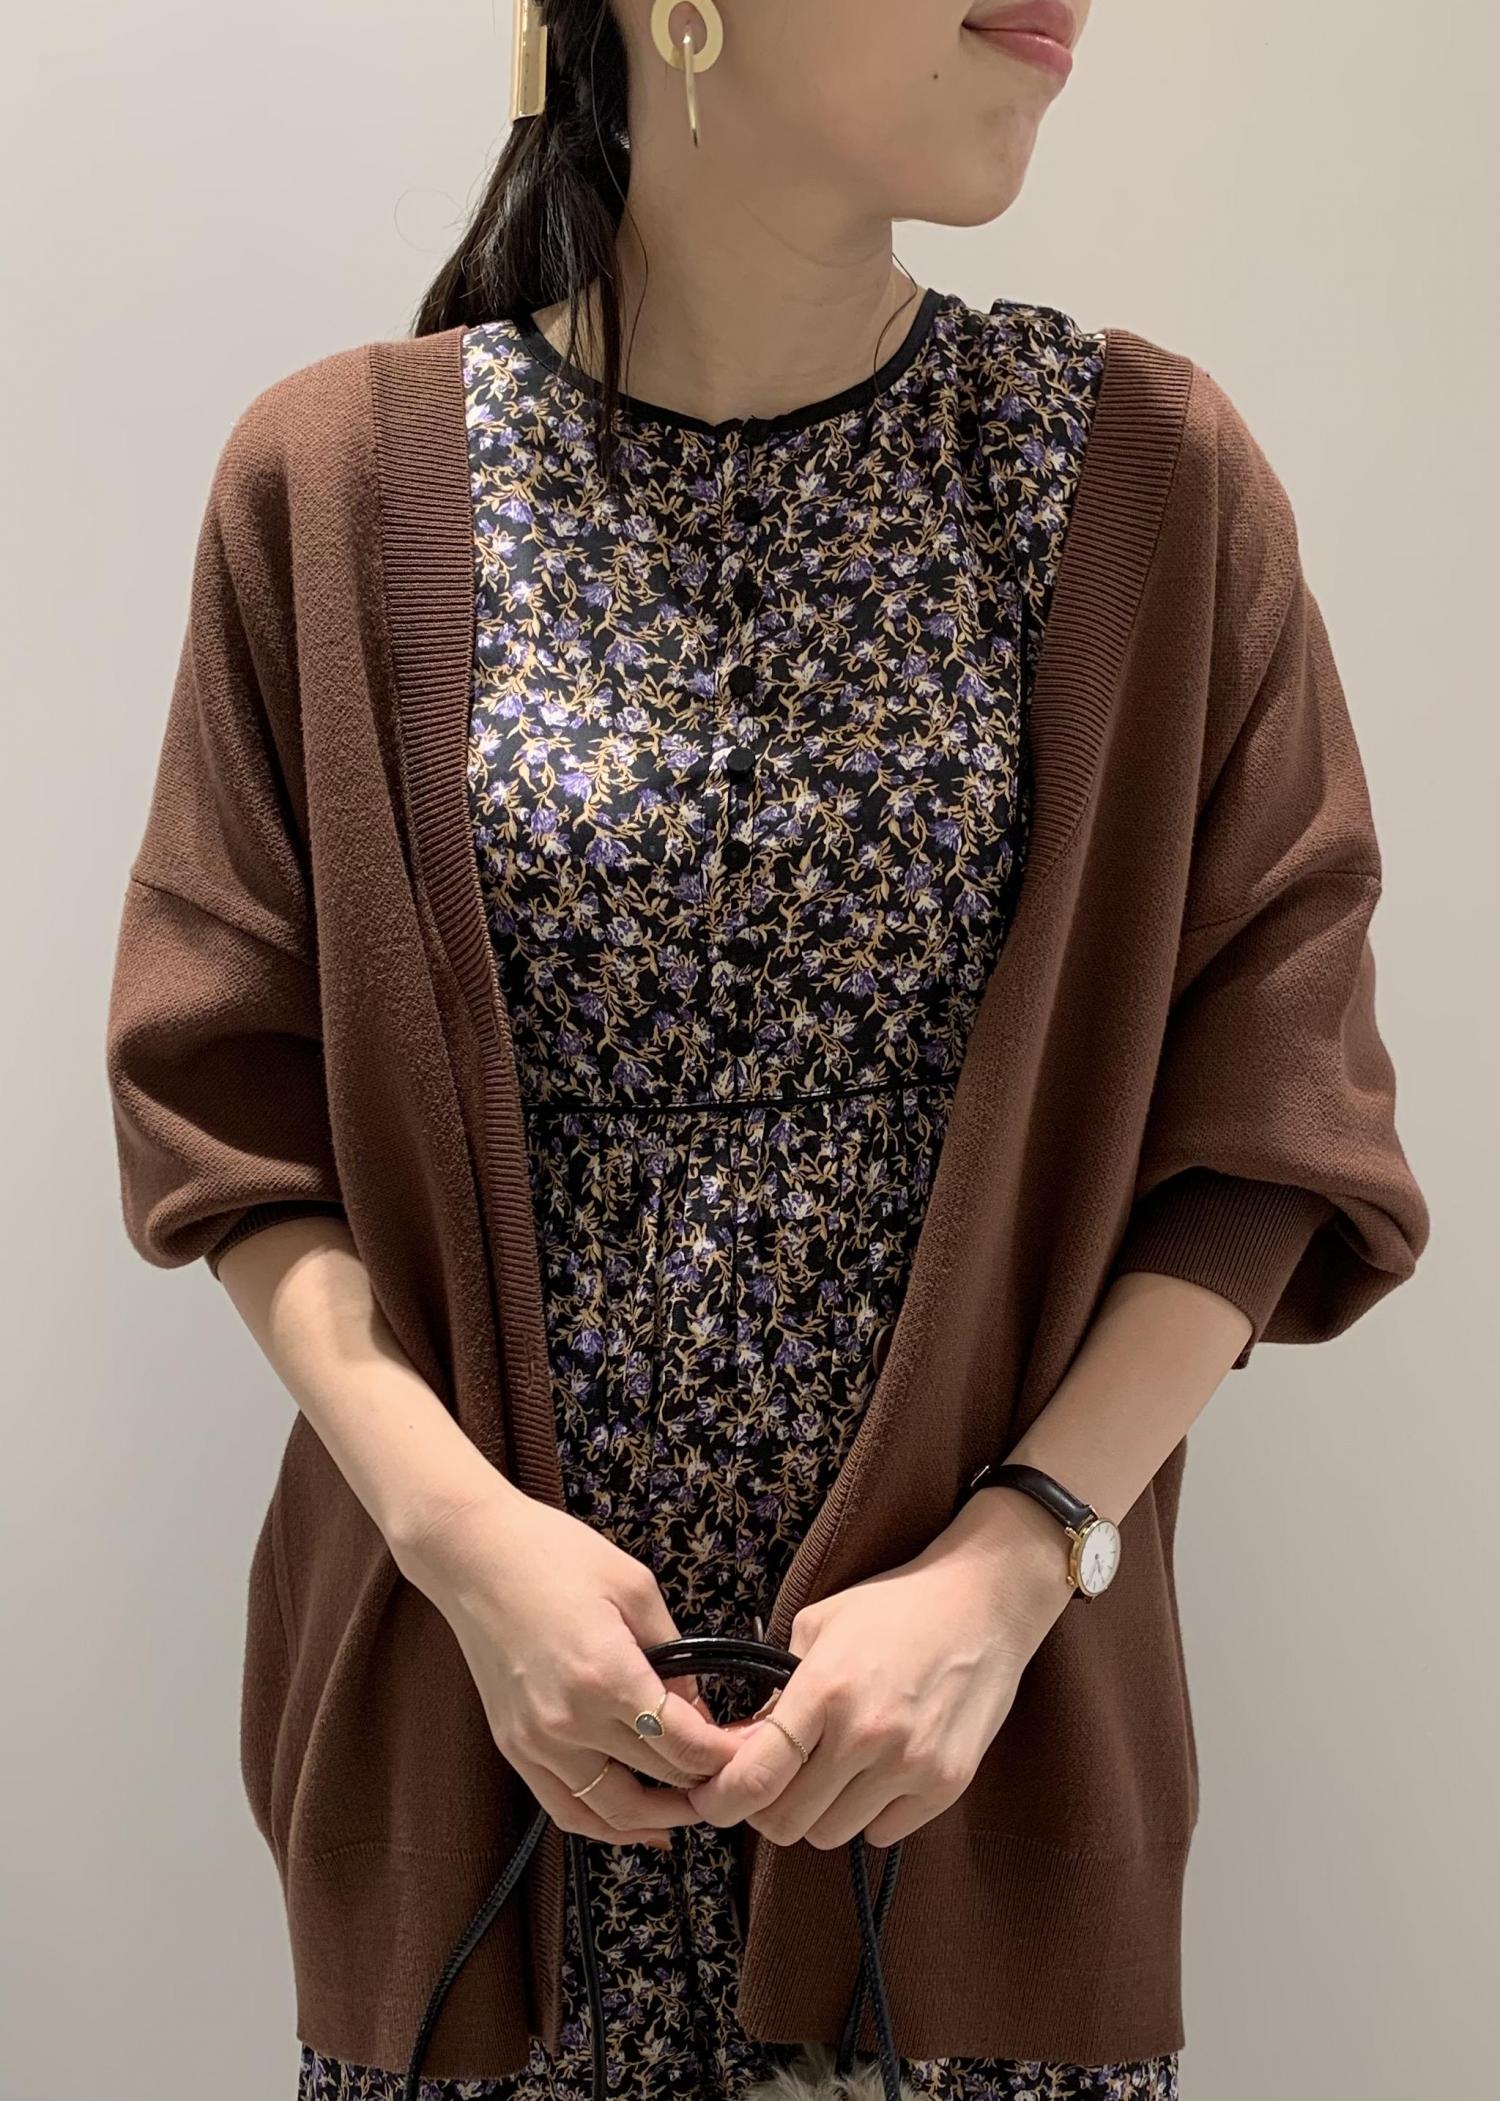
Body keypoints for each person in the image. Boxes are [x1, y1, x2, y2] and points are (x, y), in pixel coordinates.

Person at [104, 3, 1430, 2098]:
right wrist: (465, 1549)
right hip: (485, 1785)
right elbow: (228, 1113)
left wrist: (1015, 1564)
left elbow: (1272, 1119)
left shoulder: (1142, 485)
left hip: (966, 1789)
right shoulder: (336, 487)